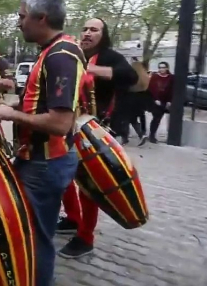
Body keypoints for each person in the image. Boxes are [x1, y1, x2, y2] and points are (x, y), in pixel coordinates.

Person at [0, 0, 85, 286]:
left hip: (45, 164)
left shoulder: (61, 56)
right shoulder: (52, 52)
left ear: (41, 17)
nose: (18, 22)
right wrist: (11, 104)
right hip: (36, 160)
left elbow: (60, 122)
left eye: (21, 16)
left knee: (35, 238)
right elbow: (43, 101)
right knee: (25, 231)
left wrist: (12, 115)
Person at [56, 17, 138, 259]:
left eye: (94, 29)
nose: (88, 33)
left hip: (95, 130)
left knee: (88, 187)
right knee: (64, 176)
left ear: (103, 35)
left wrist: (87, 68)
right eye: (85, 29)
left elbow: (130, 76)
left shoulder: (108, 56)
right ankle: (72, 219)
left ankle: (85, 238)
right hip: (69, 126)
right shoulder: (74, 53)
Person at [147, 61, 174, 143]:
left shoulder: (171, 77)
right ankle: (152, 135)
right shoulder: (155, 76)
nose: (161, 69)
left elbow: (172, 89)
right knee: (156, 118)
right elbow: (151, 88)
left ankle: (155, 134)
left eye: (163, 67)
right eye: (160, 67)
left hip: (165, 101)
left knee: (159, 118)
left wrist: (170, 100)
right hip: (156, 101)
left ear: (167, 68)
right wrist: (155, 99)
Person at [127, 57, 150, 146]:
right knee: (141, 115)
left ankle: (139, 134)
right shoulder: (143, 73)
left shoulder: (131, 72)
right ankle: (143, 132)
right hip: (142, 97)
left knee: (131, 118)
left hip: (132, 97)